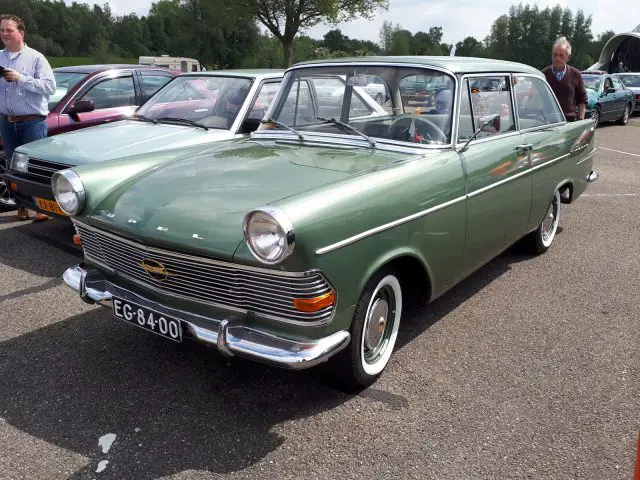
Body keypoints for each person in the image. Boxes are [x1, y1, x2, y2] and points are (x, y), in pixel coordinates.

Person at [0, 14, 56, 222]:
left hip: (32, 122)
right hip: (6, 121)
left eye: (9, 30)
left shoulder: (36, 58)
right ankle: (21, 207)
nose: (4, 34)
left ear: (21, 33)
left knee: (35, 166)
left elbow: (50, 87)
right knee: (13, 168)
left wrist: (20, 79)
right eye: (2, 30)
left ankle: (42, 208)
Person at [542, 36, 587, 122]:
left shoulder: (576, 74)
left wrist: (581, 119)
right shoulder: (543, 75)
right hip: (547, 123)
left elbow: (582, 100)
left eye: (561, 55)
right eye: (555, 55)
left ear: (568, 57)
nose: (557, 58)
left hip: (569, 122)